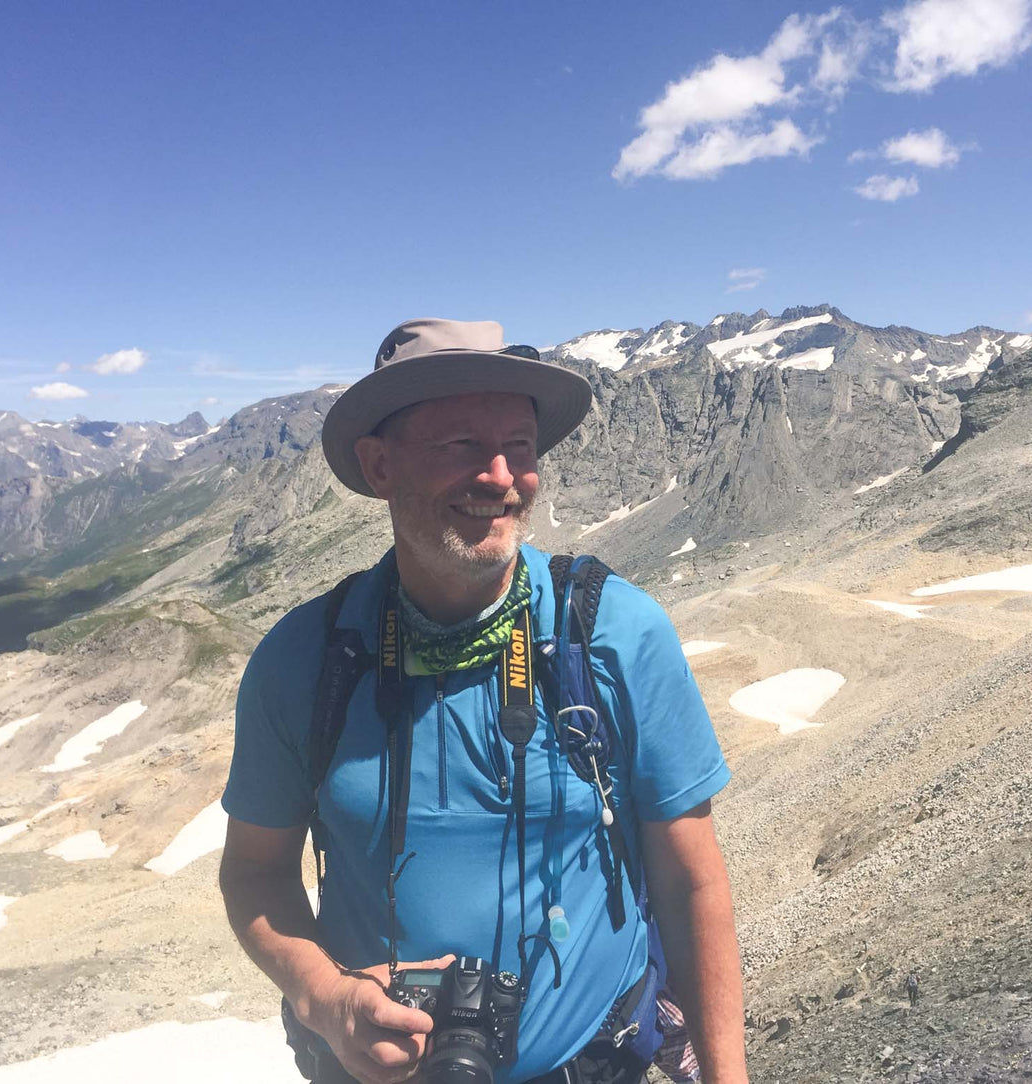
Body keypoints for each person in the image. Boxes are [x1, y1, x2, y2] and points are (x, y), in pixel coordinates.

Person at [218, 318, 747, 1084]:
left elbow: (689, 879)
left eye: (520, 447)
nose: (500, 476)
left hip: (590, 1065)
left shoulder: (614, 632)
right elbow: (254, 873)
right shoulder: (307, 659)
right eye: (459, 445)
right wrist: (324, 996)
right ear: (378, 466)